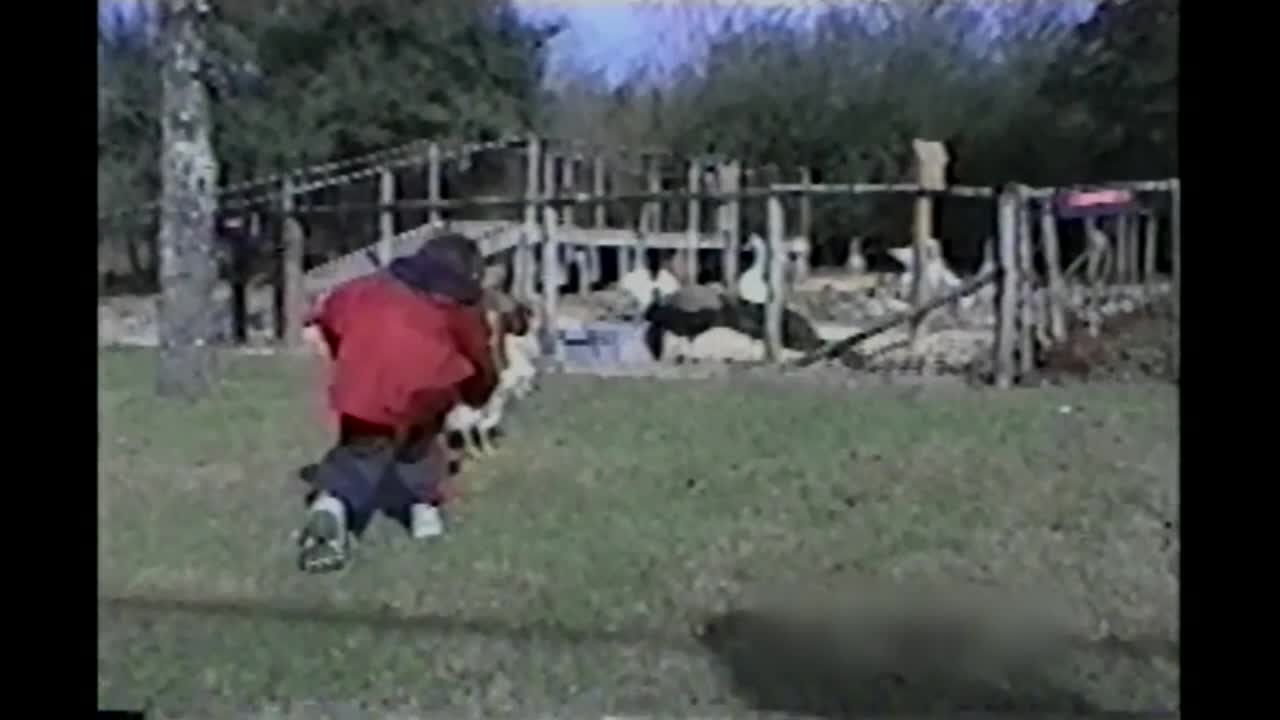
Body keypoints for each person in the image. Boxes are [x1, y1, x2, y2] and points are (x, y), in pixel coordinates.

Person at [298, 233, 499, 573]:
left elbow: (330, 314)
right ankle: (425, 514)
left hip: (362, 384)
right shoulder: (461, 303)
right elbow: (479, 357)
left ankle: (330, 506)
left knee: (361, 451)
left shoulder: (368, 287)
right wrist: (478, 394)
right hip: (428, 389)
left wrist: (346, 356)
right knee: (418, 447)